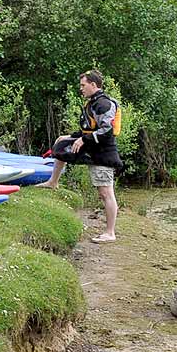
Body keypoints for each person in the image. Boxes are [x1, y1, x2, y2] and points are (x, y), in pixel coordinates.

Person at [36, 70, 124, 243]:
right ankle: (53, 182)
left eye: (83, 85)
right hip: (91, 146)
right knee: (62, 145)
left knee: (105, 193)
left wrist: (83, 139)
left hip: (103, 153)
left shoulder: (104, 104)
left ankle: (110, 232)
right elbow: (88, 129)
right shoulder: (93, 102)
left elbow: (106, 131)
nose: (81, 89)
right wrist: (71, 137)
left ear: (94, 85)